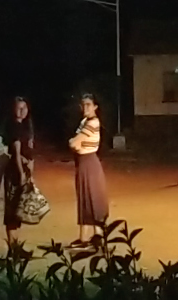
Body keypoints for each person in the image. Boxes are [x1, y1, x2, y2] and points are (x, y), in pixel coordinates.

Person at [67, 93, 109, 249]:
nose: (85, 108)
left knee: (93, 199)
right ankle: (85, 237)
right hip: (84, 163)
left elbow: (74, 143)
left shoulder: (92, 123)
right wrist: (75, 144)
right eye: (83, 105)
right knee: (85, 199)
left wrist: (75, 143)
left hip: (89, 163)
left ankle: (96, 238)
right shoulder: (85, 121)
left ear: (95, 107)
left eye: (88, 105)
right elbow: (74, 144)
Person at [3, 96, 35, 243]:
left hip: (25, 169)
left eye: (25, 108)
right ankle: (12, 245)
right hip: (14, 171)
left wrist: (31, 173)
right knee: (12, 206)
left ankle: (16, 244)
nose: (22, 111)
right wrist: (21, 173)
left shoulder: (26, 126)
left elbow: (30, 150)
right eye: (19, 108)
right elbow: (16, 153)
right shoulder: (13, 126)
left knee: (19, 207)